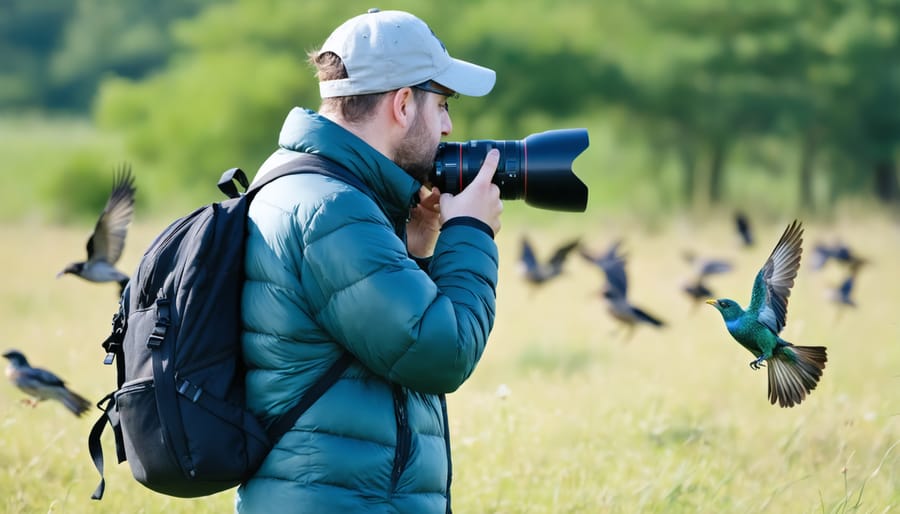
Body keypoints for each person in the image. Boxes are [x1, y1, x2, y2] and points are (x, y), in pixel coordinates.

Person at [235, 8, 503, 514]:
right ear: (403, 104)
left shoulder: (310, 184)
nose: (448, 125)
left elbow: (369, 340)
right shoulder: (332, 208)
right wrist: (472, 232)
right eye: (442, 104)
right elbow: (439, 352)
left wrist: (416, 248)